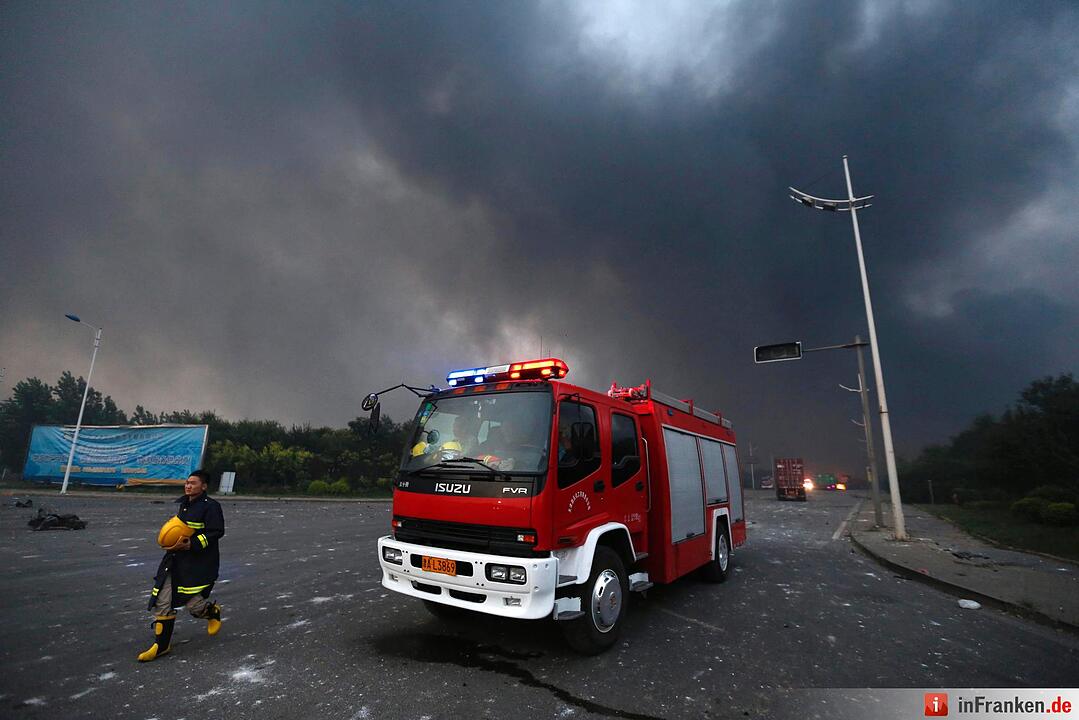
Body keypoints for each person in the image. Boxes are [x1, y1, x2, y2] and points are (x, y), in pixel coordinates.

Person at [138, 469, 225, 662]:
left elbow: (216, 532)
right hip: (175, 560)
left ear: (203, 486)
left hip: (198, 563)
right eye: (187, 482)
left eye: (193, 483)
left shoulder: (211, 506)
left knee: (194, 605)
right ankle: (161, 645)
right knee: (162, 598)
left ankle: (211, 611)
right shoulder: (184, 505)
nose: (188, 486)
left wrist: (191, 544)